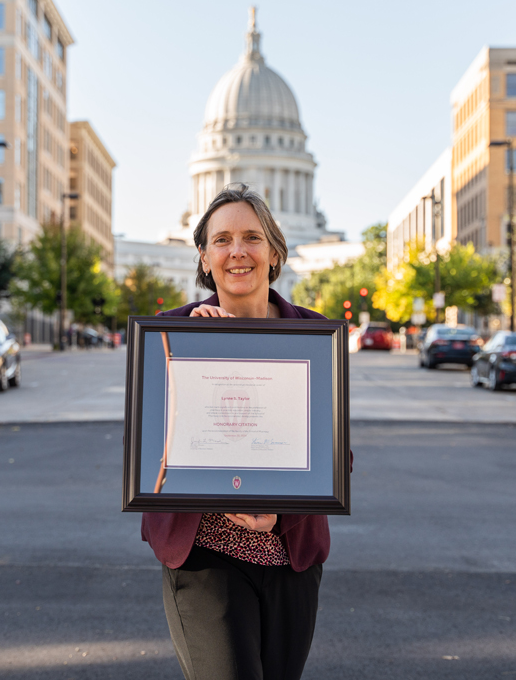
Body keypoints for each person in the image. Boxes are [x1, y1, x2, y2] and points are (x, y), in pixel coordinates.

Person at [142, 184, 347, 680]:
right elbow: (149, 451)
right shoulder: (172, 334)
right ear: (204, 257)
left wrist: (280, 508)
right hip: (204, 555)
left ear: (274, 252)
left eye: (252, 237)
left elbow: (336, 454)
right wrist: (196, 349)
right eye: (222, 239)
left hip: (290, 554)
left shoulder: (314, 334)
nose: (238, 251)